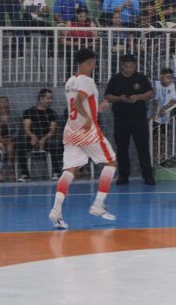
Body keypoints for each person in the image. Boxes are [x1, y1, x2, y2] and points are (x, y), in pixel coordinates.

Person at [48, 48, 117, 229]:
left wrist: (97, 109)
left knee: (69, 170)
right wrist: (87, 118)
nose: (94, 65)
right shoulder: (87, 80)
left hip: (71, 130)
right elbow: (79, 101)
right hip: (87, 131)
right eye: (93, 62)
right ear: (90, 62)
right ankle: (98, 205)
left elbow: (76, 104)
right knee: (111, 163)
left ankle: (56, 210)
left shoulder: (70, 81)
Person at [105, 54, 155, 185]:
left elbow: (151, 93)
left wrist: (138, 97)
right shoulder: (115, 79)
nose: (129, 69)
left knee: (143, 148)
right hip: (121, 119)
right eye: (127, 67)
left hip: (139, 119)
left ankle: (148, 175)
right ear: (122, 66)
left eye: (132, 67)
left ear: (135, 65)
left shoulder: (141, 78)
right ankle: (123, 176)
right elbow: (108, 96)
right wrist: (119, 98)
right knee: (122, 149)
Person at [18, 88, 60, 181]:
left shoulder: (51, 113)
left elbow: (52, 130)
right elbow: (26, 129)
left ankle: (57, 172)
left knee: (54, 144)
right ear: (41, 98)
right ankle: (25, 174)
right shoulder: (29, 111)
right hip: (32, 138)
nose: (50, 100)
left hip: (46, 139)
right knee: (21, 145)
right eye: (48, 98)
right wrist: (33, 137)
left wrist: (43, 139)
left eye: (51, 98)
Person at [0, 96, 21, 182]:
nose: (4, 103)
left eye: (6, 101)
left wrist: (11, 138)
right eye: (2, 101)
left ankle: (6, 171)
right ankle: (4, 171)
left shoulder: (14, 115)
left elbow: (18, 130)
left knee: (10, 147)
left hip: (11, 140)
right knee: (1, 146)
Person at [151, 68, 176, 166]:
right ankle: (154, 157)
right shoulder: (156, 84)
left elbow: (174, 100)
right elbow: (155, 101)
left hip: (166, 118)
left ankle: (162, 158)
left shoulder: (172, 86)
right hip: (155, 118)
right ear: (161, 77)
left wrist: (165, 108)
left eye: (171, 77)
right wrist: (154, 115)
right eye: (167, 77)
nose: (169, 80)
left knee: (163, 138)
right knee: (154, 138)